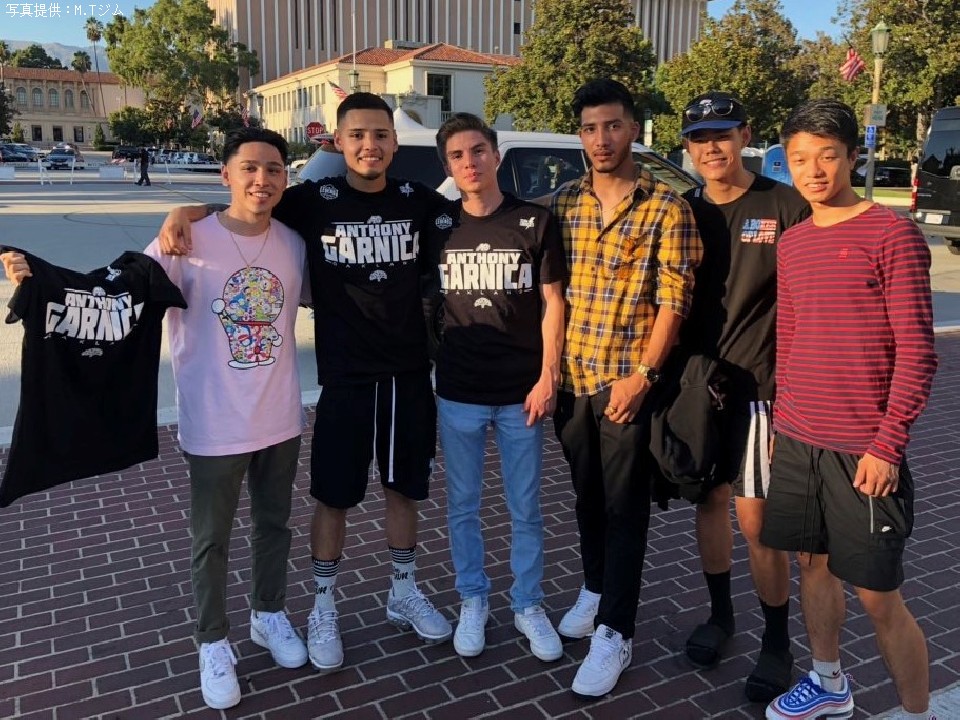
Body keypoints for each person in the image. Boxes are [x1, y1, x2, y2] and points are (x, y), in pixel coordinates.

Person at [3, 127, 310, 711]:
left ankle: (268, 614)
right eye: (249, 168)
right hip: (215, 422)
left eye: (273, 169)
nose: (262, 180)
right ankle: (212, 641)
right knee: (211, 539)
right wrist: (40, 281)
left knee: (275, 525)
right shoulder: (182, 240)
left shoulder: (294, 243)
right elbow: (110, 295)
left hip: (281, 417)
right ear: (226, 174)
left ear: (285, 178)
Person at [157, 92, 453, 674]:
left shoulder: (419, 201)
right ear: (338, 142)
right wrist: (182, 211)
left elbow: (485, 218)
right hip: (344, 377)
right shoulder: (312, 200)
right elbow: (246, 204)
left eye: (381, 134)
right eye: (357, 135)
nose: (370, 145)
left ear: (395, 142)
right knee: (333, 497)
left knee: (404, 489)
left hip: (407, 373)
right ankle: (323, 606)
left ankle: (402, 590)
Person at [762, 99, 937, 720]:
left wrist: (887, 445)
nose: (813, 171)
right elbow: (791, 338)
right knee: (812, 565)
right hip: (799, 439)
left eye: (827, 156)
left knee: (878, 595)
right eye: (799, 159)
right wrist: (783, 422)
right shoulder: (794, 242)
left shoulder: (893, 235)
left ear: (853, 157)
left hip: (863, 448)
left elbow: (918, 351)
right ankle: (829, 684)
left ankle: (917, 712)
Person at [548, 78, 702, 697]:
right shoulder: (564, 202)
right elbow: (550, 295)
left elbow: (675, 301)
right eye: (589, 128)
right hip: (572, 382)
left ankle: (616, 631)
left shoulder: (667, 206)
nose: (601, 139)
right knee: (587, 498)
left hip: (626, 385)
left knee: (624, 507)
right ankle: (595, 589)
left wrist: (644, 376)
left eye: (612, 125)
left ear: (633, 129)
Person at [676, 91, 810, 703]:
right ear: (687, 146)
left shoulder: (785, 205)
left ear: (745, 136)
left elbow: (810, 304)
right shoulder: (682, 210)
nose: (712, 148)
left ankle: (777, 642)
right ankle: (720, 615)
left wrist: (796, 394)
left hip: (761, 389)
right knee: (709, 502)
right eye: (700, 138)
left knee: (756, 521)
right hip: (700, 389)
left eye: (723, 135)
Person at [429, 113, 567, 661]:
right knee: (463, 505)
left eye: (478, 151)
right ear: (447, 166)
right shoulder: (438, 224)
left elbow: (553, 303)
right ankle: (473, 598)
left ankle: (528, 603)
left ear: (496, 155)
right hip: (459, 391)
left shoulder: (533, 221)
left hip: (519, 394)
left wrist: (548, 375)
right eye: (458, 156)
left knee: (525, 507)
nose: (470, 162)